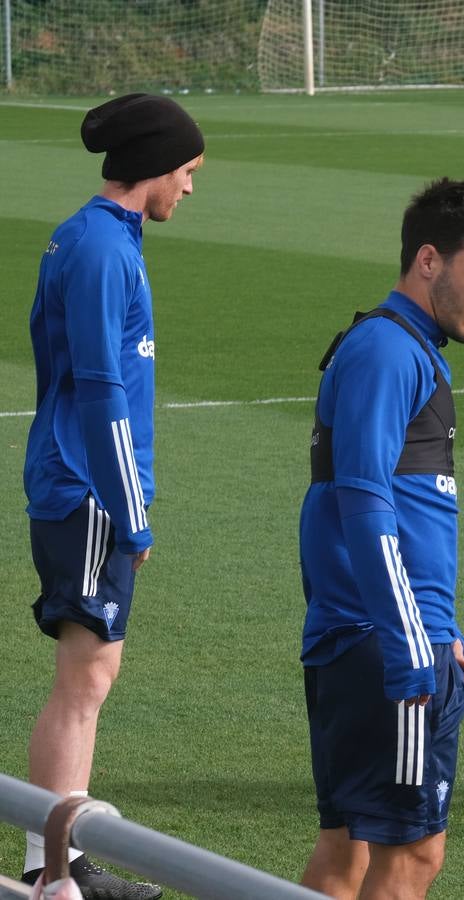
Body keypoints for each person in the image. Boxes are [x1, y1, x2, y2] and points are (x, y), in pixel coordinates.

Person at [298, 178, 464, 900]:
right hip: (384, 647)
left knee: (349, 852)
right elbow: (362, 502)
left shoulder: (404, 348)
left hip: (383, 637)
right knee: (411, 855)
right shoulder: (387, 353)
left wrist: (437, 631)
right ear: (430, 260)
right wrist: (411, 643)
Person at [21, 94, 205, 898]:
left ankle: (59, 863)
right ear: (156, 167)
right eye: (189, 172)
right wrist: (132, 512)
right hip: (89, 488)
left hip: (76, 481)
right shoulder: (102, 250)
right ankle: (56, 877)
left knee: (86, 680)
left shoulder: (95, 236)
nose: (191, 189)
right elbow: (101, 389)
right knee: (84, 682)